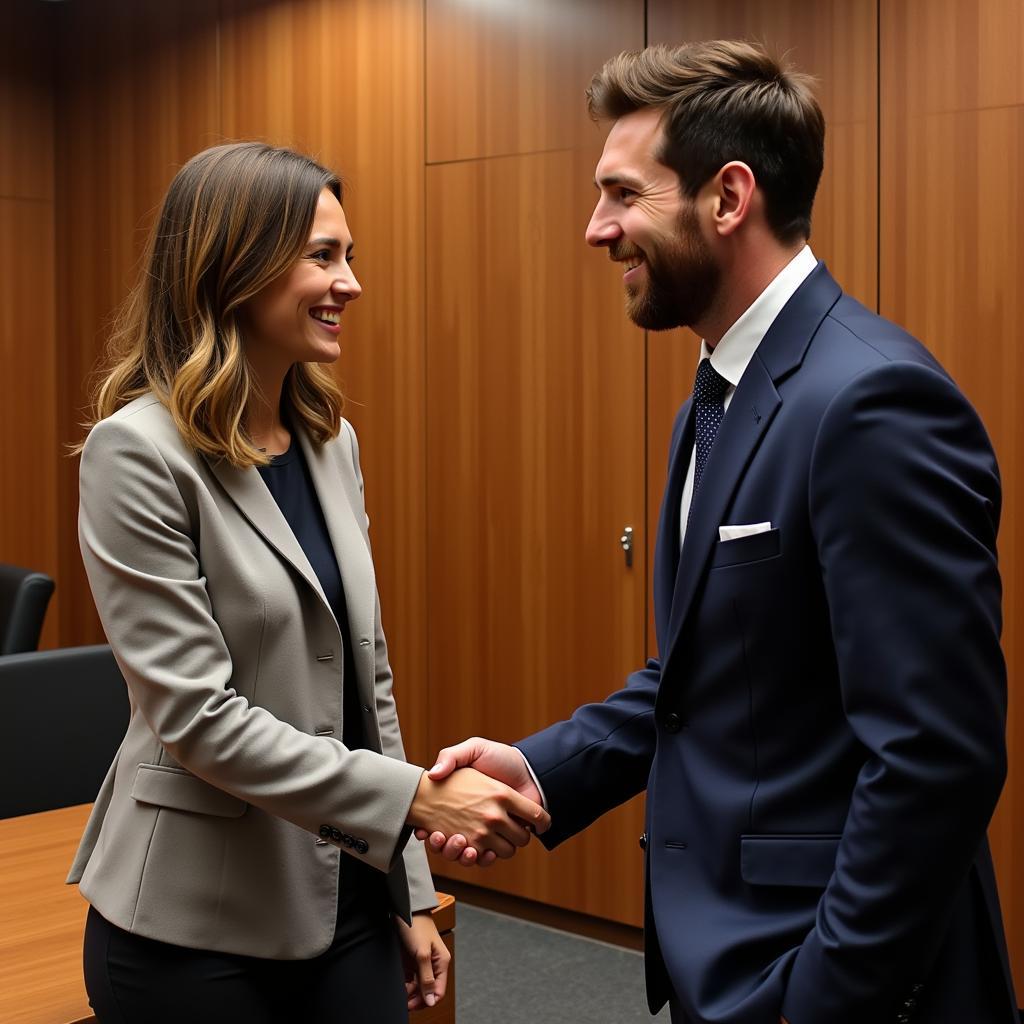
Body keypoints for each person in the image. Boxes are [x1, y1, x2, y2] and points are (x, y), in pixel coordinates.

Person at [417, 41, 1018, 1024]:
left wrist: (815, 1002)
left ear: (726, 198)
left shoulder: (870, 400)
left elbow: (933, 757)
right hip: (737, 958)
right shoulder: (715, 397)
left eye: (621, 194)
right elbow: (708, 672)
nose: (593, 228)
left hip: (830, 978)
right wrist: (538, 768)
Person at [68, 141, 549, 1024]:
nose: (351, 283)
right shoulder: (135, 454)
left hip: (344, 900)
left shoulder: (330, 442)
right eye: (323, 256)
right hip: (191, 931)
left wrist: (407, 888)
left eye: (349, 257)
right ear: (235, 266)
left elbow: (368, 683)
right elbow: (198, 720)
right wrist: (414, 799)